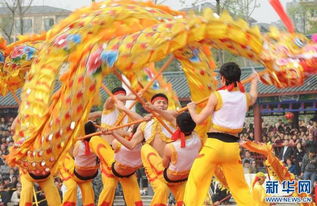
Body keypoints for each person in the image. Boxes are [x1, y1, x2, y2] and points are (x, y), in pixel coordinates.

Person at [185, 62, 258, 205]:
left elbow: (199, 120)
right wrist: (254, 81)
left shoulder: (217, 96)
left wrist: (192, 109)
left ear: (222, 78)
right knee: (239, 187)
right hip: (232, 149)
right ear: (238, 78)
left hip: (214, 146)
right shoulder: (245, 98)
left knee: (196, 180)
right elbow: (254, 97)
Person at [111, 93, 179, 205]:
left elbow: (176, 112)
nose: (162, 104)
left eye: (164, 103)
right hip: (153, 167)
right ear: (152, 104)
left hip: (170, 164)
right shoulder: (144, 124)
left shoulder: (171, 119)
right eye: (159, 102)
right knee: (162, 189)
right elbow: (131, 145)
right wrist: (114, 134)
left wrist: (157, 112)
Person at [162, 112, 202, 205]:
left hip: (170, 177)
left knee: (146, 149)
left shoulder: (170, 146)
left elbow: (164, 165)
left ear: (177, 126)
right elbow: (173, 120)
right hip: (187, 175)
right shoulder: (198, 138)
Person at [60, 121, 99, 206]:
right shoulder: (96, 143)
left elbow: (73, 154)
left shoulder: (79, 143)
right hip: (91, 174)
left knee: (64, 156)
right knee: (87, 188)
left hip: (78, 173)